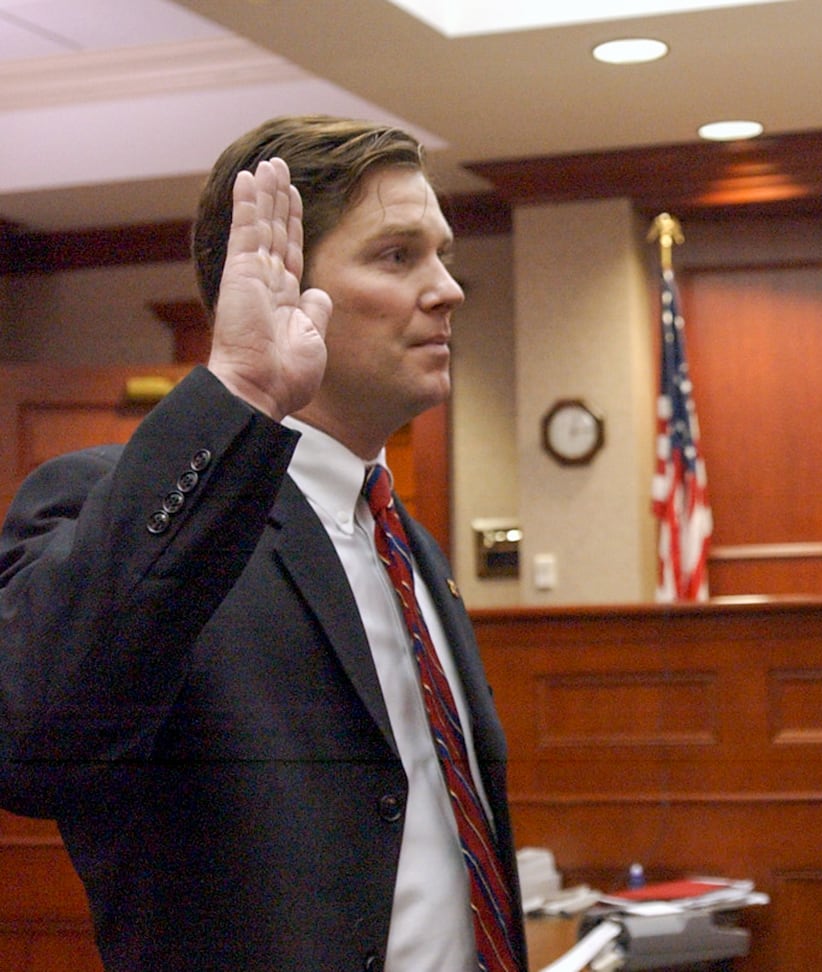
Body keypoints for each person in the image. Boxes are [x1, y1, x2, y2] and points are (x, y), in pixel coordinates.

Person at [0, 117, 528, 971]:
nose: (447, 289)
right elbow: (31, 748)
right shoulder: (119, 508)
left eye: (441, 253)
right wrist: (240, 389)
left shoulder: (412, 549)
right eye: (397, 256)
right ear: (280, 284)